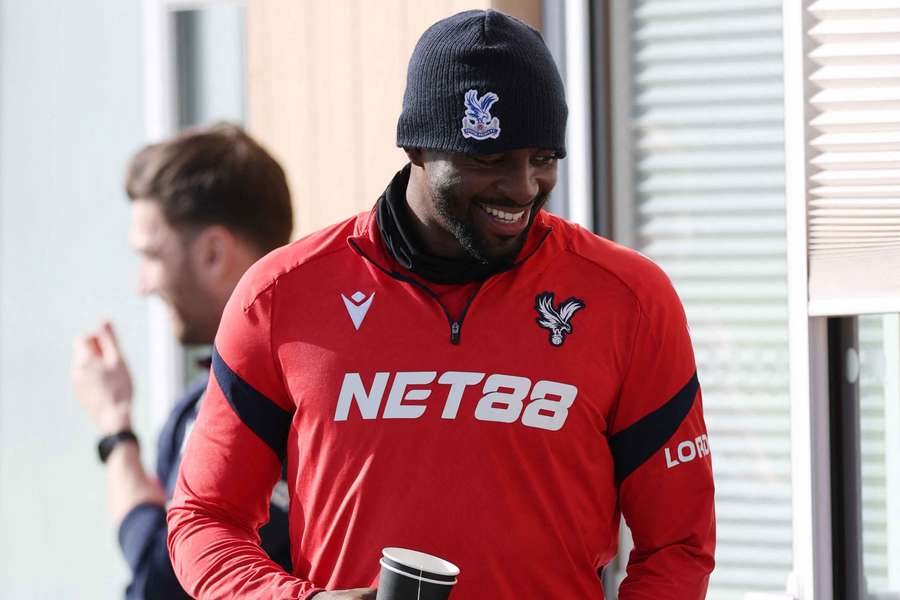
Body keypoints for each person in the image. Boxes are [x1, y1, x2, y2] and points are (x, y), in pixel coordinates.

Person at [167, 10, 716, 600]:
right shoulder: (280, 296)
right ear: (416, 146)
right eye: (489, 159)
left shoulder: (628, 299)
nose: (522, 187)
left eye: (542, 158)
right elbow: (204, 517)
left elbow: (678, 544)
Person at [71, 124, 295, 599]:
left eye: (152, 256)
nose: (143, 285)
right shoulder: (199, 402)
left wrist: (116, 431)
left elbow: (163, 583)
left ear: (214, 254)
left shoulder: (286, 398)